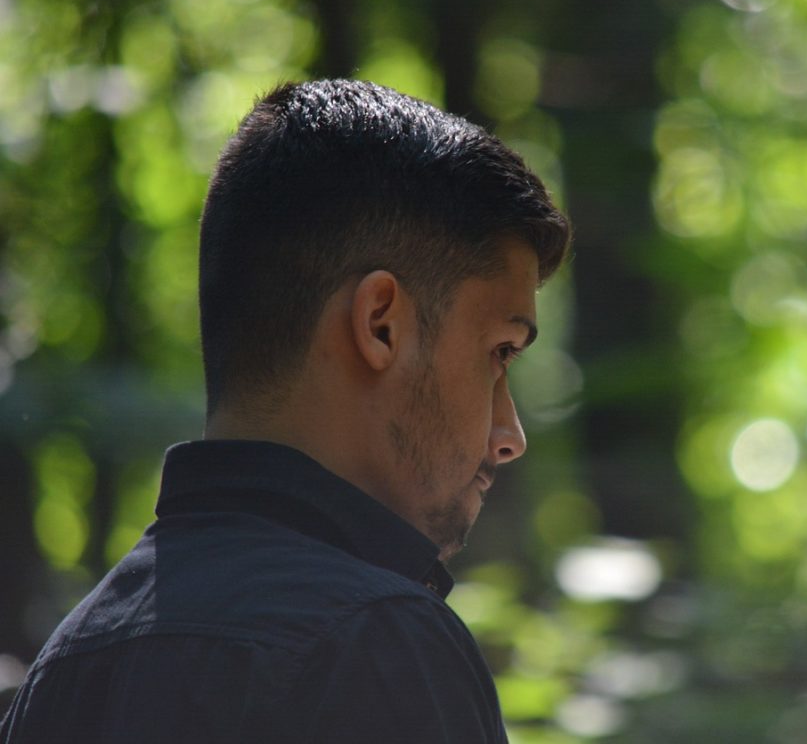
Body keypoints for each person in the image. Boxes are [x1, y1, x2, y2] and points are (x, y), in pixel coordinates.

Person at [0, 79, 571, 742]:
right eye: (500, 352)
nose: (510, 436)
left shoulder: (67, 664)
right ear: (381, 324)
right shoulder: (380, 641)